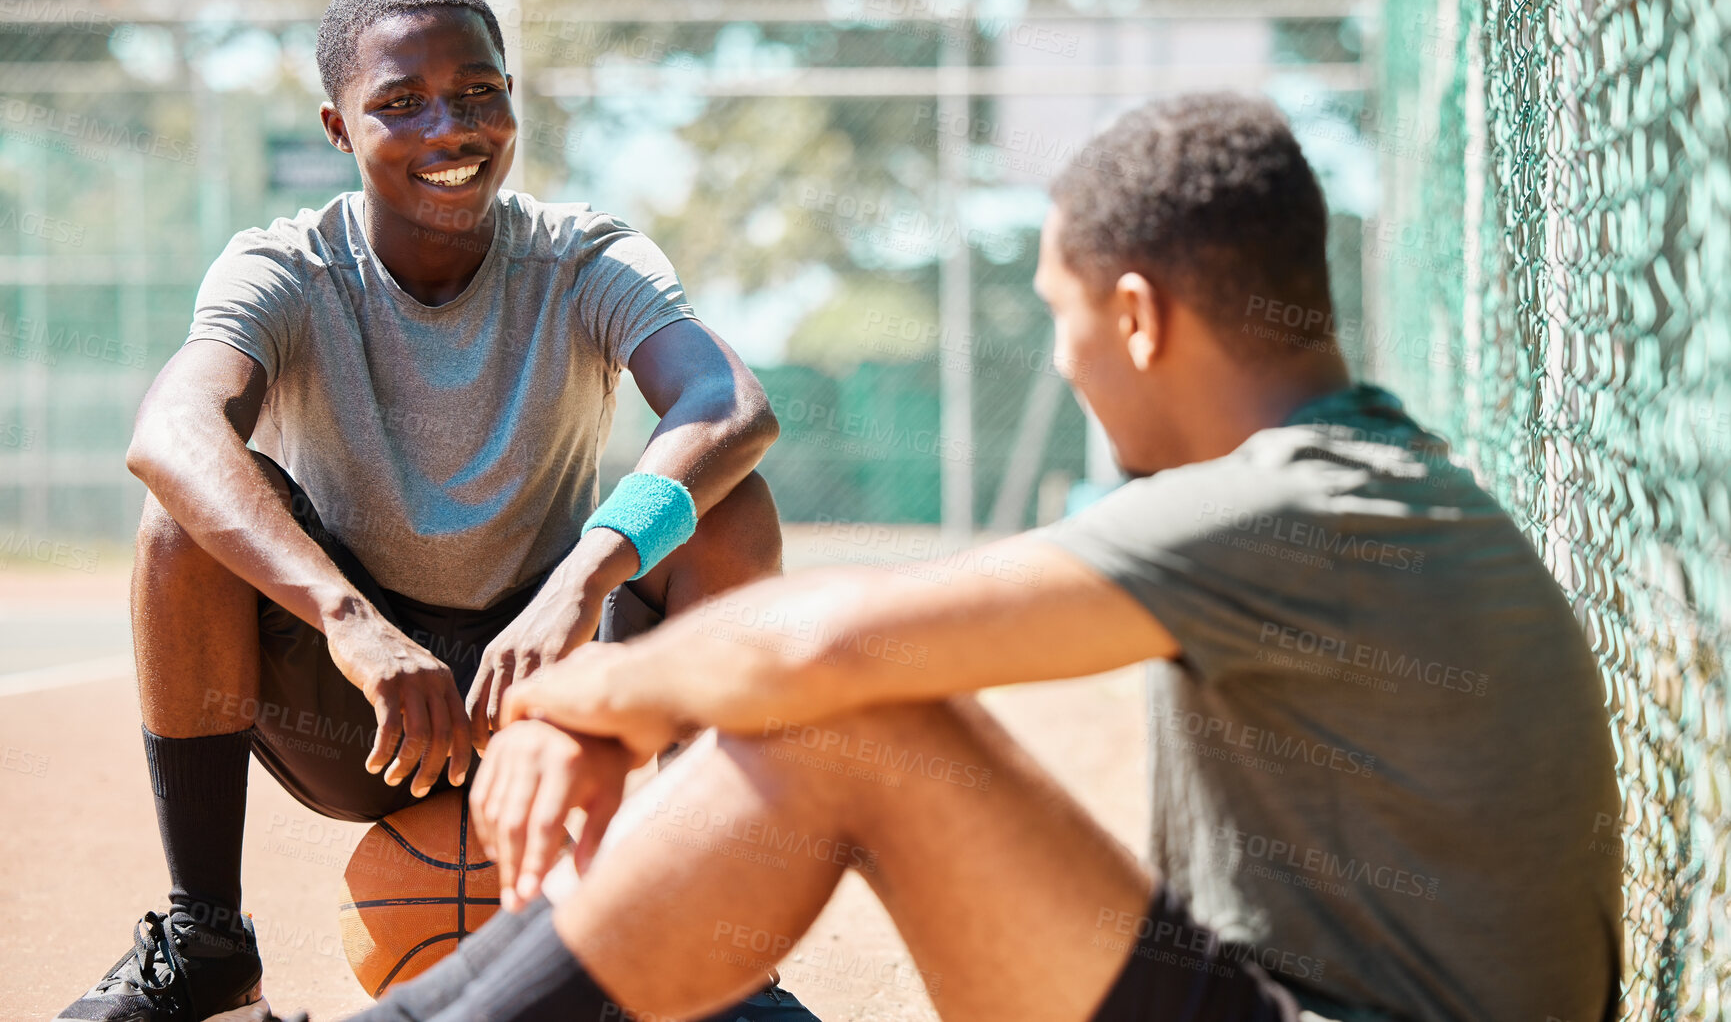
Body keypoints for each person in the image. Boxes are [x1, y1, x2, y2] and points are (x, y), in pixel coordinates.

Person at [322, 91, 1623, 1022]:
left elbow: (831, 646)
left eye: (1062, 322)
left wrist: (571, 695)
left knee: (843, 718)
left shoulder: (1304, 502)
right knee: (842, 714)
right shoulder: (1352, 480)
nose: (1063, 366)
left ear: (1135, 316)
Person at [55, 0, 817, 1022]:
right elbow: (170, 431)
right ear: (337, 128)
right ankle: (208, 943)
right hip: (362, 709)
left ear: (513, 99)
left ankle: (712, 953)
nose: (448, 130)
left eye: (478, 94)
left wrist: (584, 582)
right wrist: (348, 621)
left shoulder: (586, 256)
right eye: (399, 104)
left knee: (727, 502)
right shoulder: (285, 268)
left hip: (549, 687)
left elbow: (731, 405)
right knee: (177, 524)